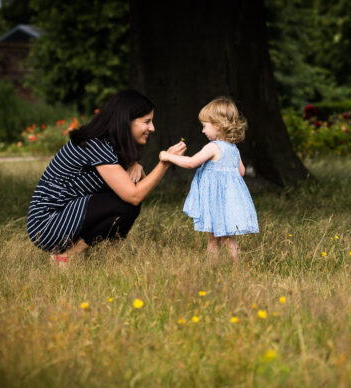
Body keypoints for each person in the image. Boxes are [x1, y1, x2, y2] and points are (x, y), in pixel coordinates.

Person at [27, 89, 186, 265]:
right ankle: (66, 256)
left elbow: (142, 186)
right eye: (146, 122)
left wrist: (136, 165)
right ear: (126, 121)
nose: (152, 128)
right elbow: (134, 195)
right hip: (46, 223)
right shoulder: (96, 145)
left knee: (127, 203)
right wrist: (165, 162)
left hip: (63, 214)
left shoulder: (107, 143)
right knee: (126, 203)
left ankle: (111, 261)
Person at [160, 97, 258, 260]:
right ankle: (212, 268)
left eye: (205, 126)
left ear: (218, 126)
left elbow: (191, 162)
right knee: (216, 237)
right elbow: (240, 172)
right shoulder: (233, 149)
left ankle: (237, 269)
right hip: (226, 201)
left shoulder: (213, 147)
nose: (203, 131)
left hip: (215, 201)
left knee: (224, 237)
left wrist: (169, 157)